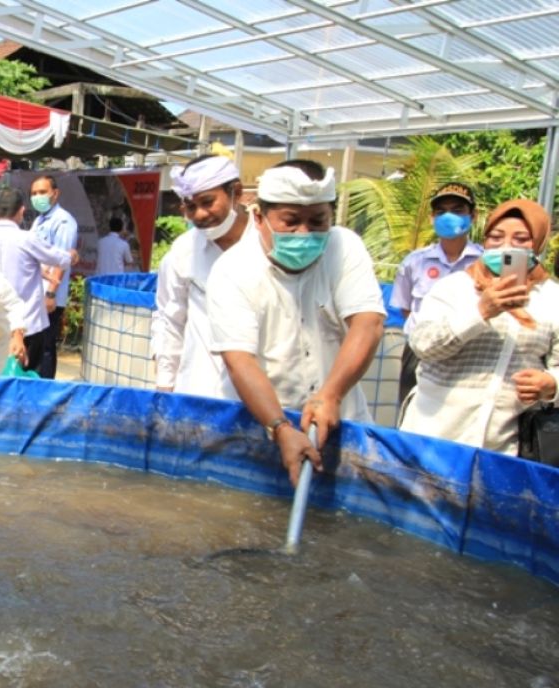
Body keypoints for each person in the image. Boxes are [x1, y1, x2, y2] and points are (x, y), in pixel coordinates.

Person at [207, 159, 386, 486]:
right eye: (290, 222)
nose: (304, 233)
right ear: (259, 217)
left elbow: (368, 323)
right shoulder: (232, 271)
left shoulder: (344, 247)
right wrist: (280, 427)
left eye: (317, 221)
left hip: (339, 420)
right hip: (261, 425)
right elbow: (239, 360)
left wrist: (330, 395)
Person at [400, 199, 559, 455]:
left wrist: (552, 384)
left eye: (520, 239)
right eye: (496, 237)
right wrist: (481, 312)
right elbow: (423, 345)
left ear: (538, 243)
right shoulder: (454, 288)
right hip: (431, 440)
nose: (506, 246)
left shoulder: (552, 299)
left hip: (502, 450)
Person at [151, 154, 249, 395]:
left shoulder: (266, 245)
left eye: (208, 202)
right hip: (198, 390)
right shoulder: (184, 251)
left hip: (263, 398)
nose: (200, 215)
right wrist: (165, 384)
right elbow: (169, 319)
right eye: (191, 207)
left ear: (236, 192)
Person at [390, 182, 483, 411]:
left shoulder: (485, 262)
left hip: (468, 350)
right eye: (441, 212)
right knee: (413, 411)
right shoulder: (414, 262)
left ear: (473, 216)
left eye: (458, 210)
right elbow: (405, 308)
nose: (449, 216)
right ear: (432, 218)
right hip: (419, 351)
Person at [0, 186, 76, 376]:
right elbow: (60, 259)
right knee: (29, 381)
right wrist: (72, 255)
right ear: (22, 211)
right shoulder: (27, 239)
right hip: (27, 325)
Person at [29, 174, 79, 378]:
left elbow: (62, 259)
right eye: (33, 193)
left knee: (46, 349)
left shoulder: (63, 221)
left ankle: (45, 390)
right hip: (36, 293)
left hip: (49, 296)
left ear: (55, 194)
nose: (37, 197)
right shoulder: (39, 220)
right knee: (36, 346)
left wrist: (50, 294)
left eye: (42, 192)